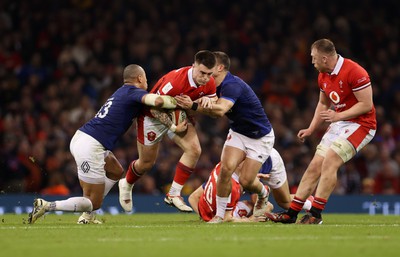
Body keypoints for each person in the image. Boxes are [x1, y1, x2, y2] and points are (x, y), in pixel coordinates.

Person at [28, 64, 182, 224]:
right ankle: (47, 205)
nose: (147, 84)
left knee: (116, 170)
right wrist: (176, 101)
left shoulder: (122, 92)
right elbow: (157, 100)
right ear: (140, 78)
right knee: (92, 202)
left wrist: (172, 126)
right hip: (90, 145)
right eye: (146, 80)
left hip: (85, 138)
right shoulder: (134, 92)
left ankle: (87, 216)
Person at [266, 38, 376, 224]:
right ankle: (291, 214)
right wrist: (311, 128)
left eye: (314, 58)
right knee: (314, 166)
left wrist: (338, 116)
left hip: (361, 125)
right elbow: (323, 103)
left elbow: (366, 105)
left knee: (330, 160)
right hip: (340, 123)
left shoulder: (355, 71)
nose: (312, 62)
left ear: (325, 58)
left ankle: (315, 214)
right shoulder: (323, 75)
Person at [175, 51, 275, 223]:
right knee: (225, 170)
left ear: (219, 68)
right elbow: (211, 110)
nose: (205, 72)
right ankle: (220, 215)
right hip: (238, 133)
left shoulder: (232, 85)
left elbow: (220, 110)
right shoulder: (211, 86)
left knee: (247, 180)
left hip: (260, 137)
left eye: (211, 67)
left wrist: (193, 105)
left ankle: (263, 194)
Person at [118, 50, 217, 213]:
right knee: (146, 164)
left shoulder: (209, 82)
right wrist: (172, 127)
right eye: (202, 73)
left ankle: (174, 194)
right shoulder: (175, 81)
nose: (205, 78)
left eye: (209, 74)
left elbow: (213, 99)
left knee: (194, 150)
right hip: (152, 117)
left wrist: (209, 99)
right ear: (194, 66)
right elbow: (152, 106)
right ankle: (126, 183)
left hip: (178, 113)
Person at [188, 148, 313, 222]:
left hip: (268, 160)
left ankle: (310, 203)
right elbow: (193, 197)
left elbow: (194, 197)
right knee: (262, 204)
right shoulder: (224, 174)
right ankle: (308, 202)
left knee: (283, 202)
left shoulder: (226, 173)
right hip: (252, 164)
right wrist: (206, 217)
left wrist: (251, 219)